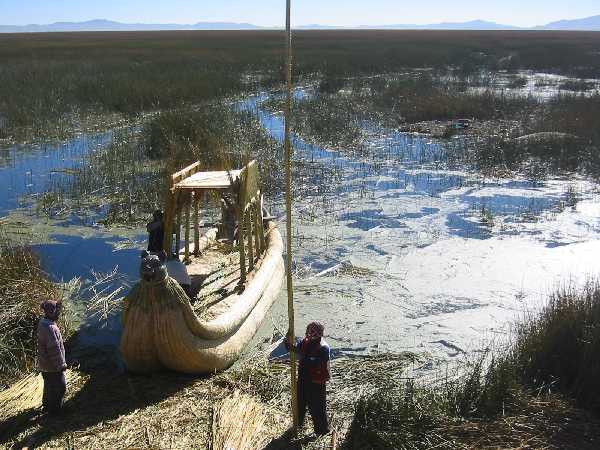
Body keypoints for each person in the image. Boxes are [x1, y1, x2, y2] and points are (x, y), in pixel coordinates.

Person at [286, 321, 331, 435]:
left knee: (317, 408)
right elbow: (297, 349)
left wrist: (305, 356)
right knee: (299, 404)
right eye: (308, 331)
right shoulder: (305, 342)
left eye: (311, 332)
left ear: (318, 334)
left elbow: (316, 362)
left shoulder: (323, 348)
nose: (308, 334)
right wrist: (288, 342)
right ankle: (298, 425)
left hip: (316, 383)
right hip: (302, 380)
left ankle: (321, 431)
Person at [37, 300, 67, 413]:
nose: (59, 314)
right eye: (57, 311)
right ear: (51, 312)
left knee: (48, 386)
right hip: (53, 367)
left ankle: (46, 405)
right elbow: (54, 350)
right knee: (60, 387)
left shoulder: (42, 323)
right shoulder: (50, 328)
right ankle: (55, 410)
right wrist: (61, 365)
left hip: (44, 365)